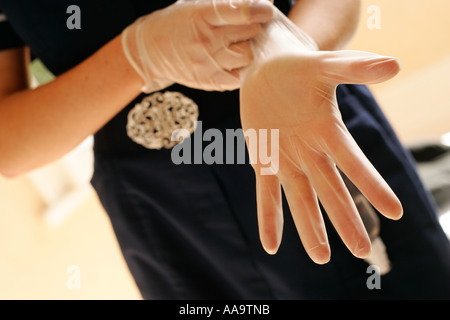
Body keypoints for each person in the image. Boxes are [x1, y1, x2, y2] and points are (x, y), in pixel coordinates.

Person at [0, 0, 449, 299]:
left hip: (305, 117)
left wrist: (288, 51)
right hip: (164, 206)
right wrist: (137, 56)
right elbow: (9, 144)